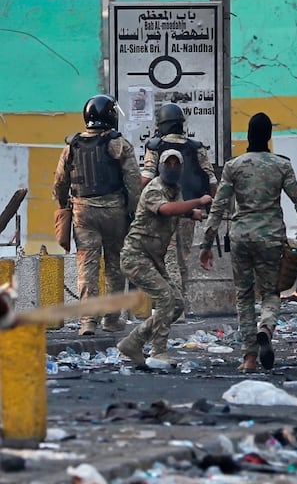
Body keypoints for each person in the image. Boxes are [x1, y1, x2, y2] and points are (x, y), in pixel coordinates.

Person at [199, 112, 297, 372]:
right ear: (269, 137)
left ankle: (249, 357)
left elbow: (218, 207)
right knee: (271, 292)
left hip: (241, 237)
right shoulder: (281, 165)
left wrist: (207, 244)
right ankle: (266, 327)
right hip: (271, 238)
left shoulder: (233, 166)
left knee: (244, 296)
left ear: (248, 136)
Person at [53, 94, 142, 336]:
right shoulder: (119, 143)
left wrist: (63, 207)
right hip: (114, 212)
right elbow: (133, 182)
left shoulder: (72, 145)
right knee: (114, 266)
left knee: (87, 267)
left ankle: (87, 322)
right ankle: (111, 319)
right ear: (110, 116)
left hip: (83, 212)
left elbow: (60, 182)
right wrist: (133, 211)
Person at [116, 150, 212, 367]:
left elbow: (175, 207)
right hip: (136, 256)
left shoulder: (174, 189)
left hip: (153, 259)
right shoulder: (154, 188)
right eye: (167, 163)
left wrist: (191, 213)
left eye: (175, 164)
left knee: (177, 304)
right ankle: (158, 351)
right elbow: (166, 209)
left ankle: (134, 341)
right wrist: (197, 201)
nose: (171, 167)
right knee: (166, 299)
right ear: (160, 166)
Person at [141, 103, 217, 316]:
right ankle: (182, 305)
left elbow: (146, 178)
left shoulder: (155, 146)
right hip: (190, 210)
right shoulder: (196, 146)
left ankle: (175, 309)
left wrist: (138, 202)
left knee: (169, 258)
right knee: (182, 258)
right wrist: (210, 206)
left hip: (165, 210)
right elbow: (211, 179)